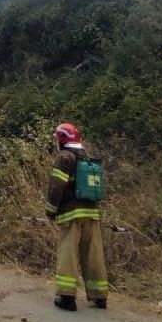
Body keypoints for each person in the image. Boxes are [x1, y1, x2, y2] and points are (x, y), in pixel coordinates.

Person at [45, 122, 109, 311]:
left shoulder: (64, 158)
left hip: (72, 214)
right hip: (92, 213)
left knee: (68, 254)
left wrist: (50, 210)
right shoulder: (86, 158)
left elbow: (57, 187)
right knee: (93, 255)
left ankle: (66, 297)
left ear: (61, 139)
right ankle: (100, 296)